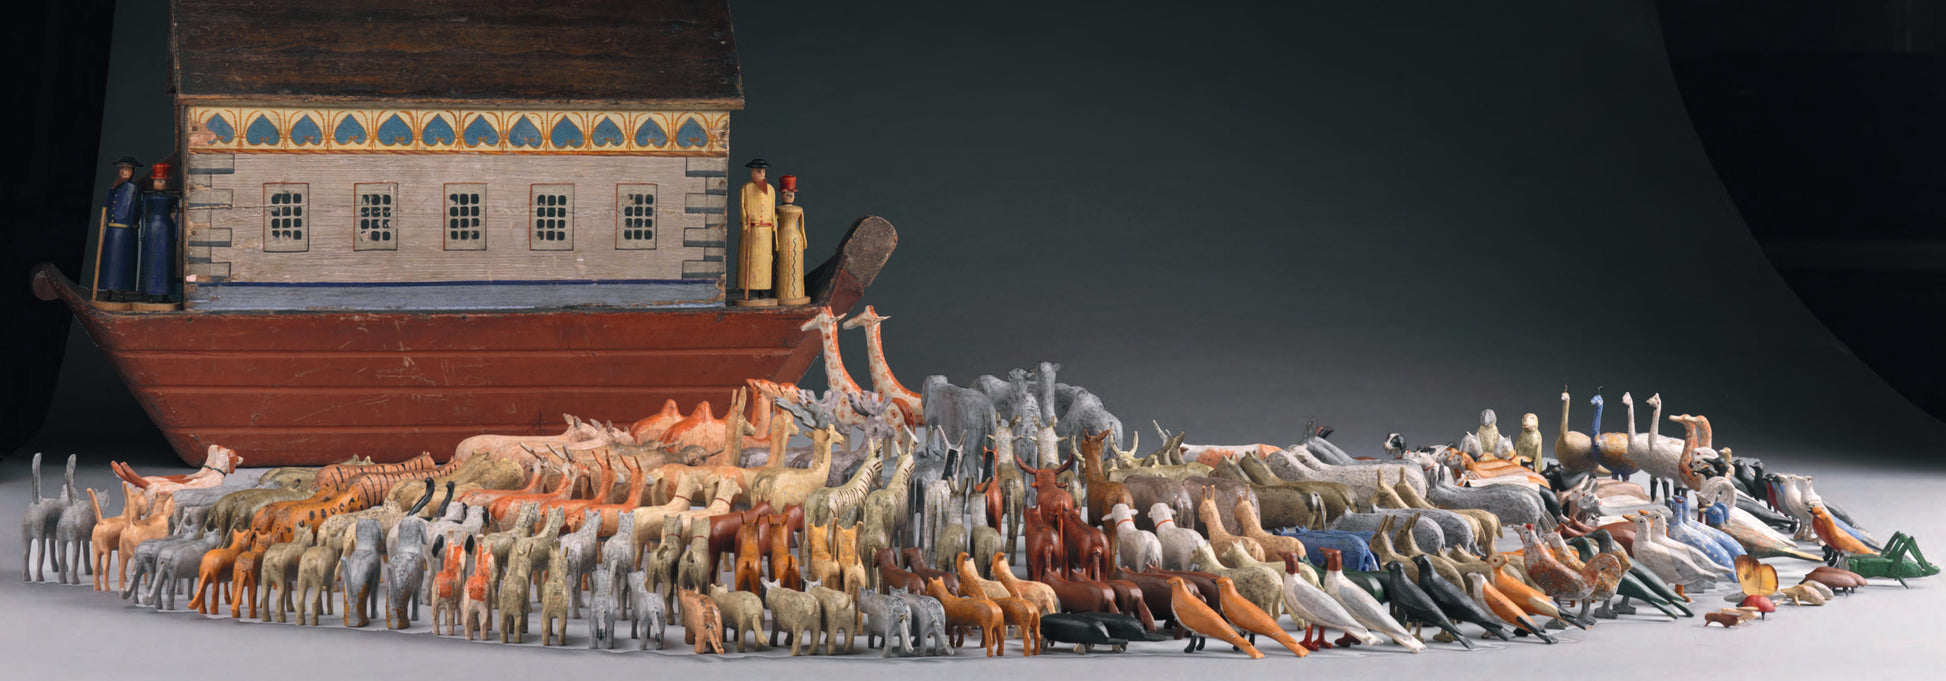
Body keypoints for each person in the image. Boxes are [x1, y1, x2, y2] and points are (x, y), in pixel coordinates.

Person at [95, 155, 143, 302]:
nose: (123, 171)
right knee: (109, 263)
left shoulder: (133, 188)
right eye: (122, 168)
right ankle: (108, 290)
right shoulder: (114, 186)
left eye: (127, 169)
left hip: (125, 232)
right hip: (112, 230)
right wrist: (105, 218)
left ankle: (123, 292)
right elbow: (107, 203)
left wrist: (128, 224)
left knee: (124, 263)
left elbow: (131, 209)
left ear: (132, 171)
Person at [136, 162, 179, 304]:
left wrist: (175, 233)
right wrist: (143, 232)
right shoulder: (148, 197)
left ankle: (165, 292)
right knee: (151, 261)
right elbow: (143, 215)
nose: (160, 183)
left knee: (166, 262)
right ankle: (149, 292)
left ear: (167, 182)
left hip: (166, 229)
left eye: (162, 181)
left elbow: (178, 217)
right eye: (157, 181)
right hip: (152, 229)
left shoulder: (172, 198)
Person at [773, 175, 808, 306]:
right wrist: (776, 242)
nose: (789, 196)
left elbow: (802, 226)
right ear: (781, 194)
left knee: (796, 267)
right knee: (782, 266)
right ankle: (782, 294)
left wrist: (804, 239)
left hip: (796, 238)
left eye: (791, 193)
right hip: (783, 237)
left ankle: (797, 293)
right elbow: (774, 227)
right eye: (786, 193)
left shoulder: (799, 209)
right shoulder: (778, 210)